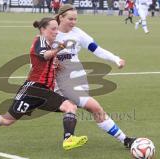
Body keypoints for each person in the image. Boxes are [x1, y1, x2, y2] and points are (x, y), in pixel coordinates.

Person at [0, 17, 88, 150]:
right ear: (43, 29)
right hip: (34, 88)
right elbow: (44, 55)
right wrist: (59, 49)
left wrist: (56, 65)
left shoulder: (49, 43)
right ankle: (68, 139)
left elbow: (44, 62)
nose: (56, 32)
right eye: (53, 29)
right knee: (8, 120)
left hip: (44, 91)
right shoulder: (40, 40)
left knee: (7, 120)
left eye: (57, 28)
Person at [54, 4, 136, 149]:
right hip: (62, 82)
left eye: (75, 19)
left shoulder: (78, 33)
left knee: (86, 109)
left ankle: (68, 137)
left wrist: (116, 59)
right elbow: (37, 56)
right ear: (61, 17)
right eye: (70, 19)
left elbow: (96, 49)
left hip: (79, 80)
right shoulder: (51, 34)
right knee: (95, 108)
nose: (73, 22)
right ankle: (126, 140)